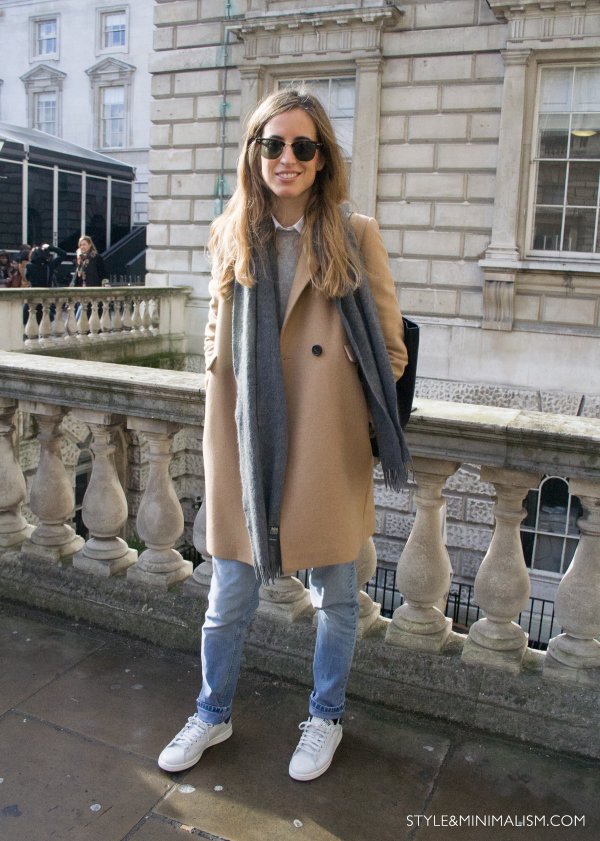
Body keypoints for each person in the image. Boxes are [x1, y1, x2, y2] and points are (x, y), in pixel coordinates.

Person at [158, 87, 410, 782]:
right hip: (247, 443)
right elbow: (216, 335)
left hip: (325, 449)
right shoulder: (230, 231)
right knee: (228, 594)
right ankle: (213, 711)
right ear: (255, 153)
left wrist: (342, 416)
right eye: (274, 144)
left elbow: (390, 349)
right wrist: (225, 382)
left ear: (323, 157)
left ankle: (325, 715)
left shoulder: (354, 234)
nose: (287, 158)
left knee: (335, 596)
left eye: (303, 146)